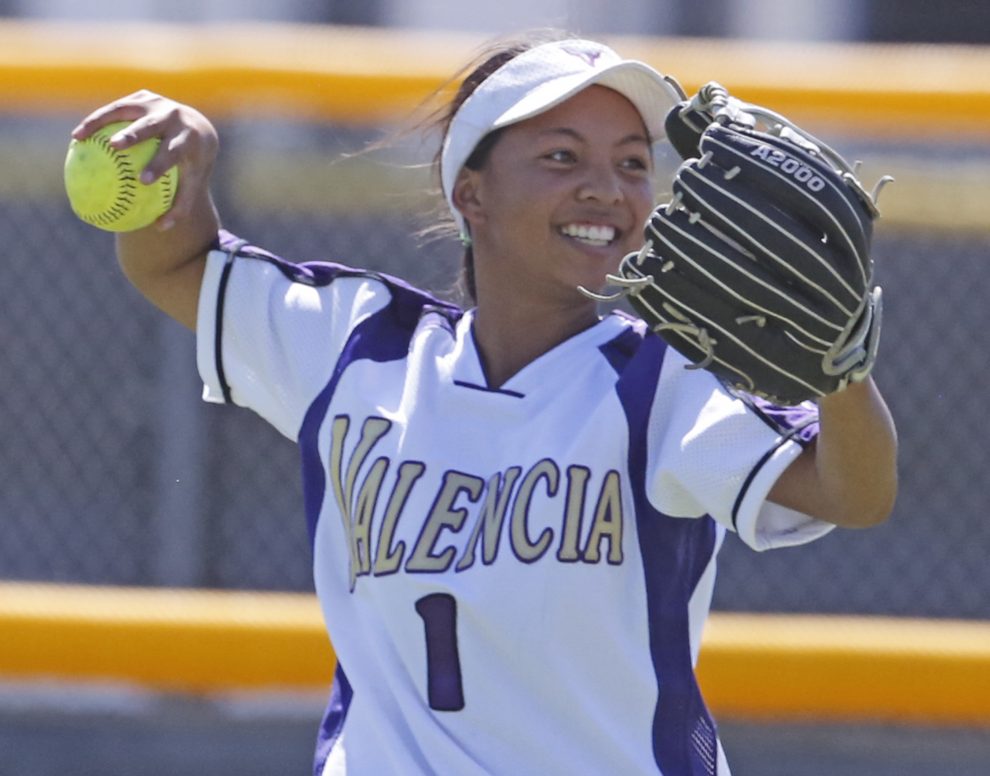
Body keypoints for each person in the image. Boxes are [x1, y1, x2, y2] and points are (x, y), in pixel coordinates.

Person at [72, 30, 897, 776]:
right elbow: (175, 266)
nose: (606, 189)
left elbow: (851, 492)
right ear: (472, 194)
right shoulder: (360, 346)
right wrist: (175, 155)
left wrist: (842, 372)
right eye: (561, 158)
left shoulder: (663, 383)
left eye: (633, 163)